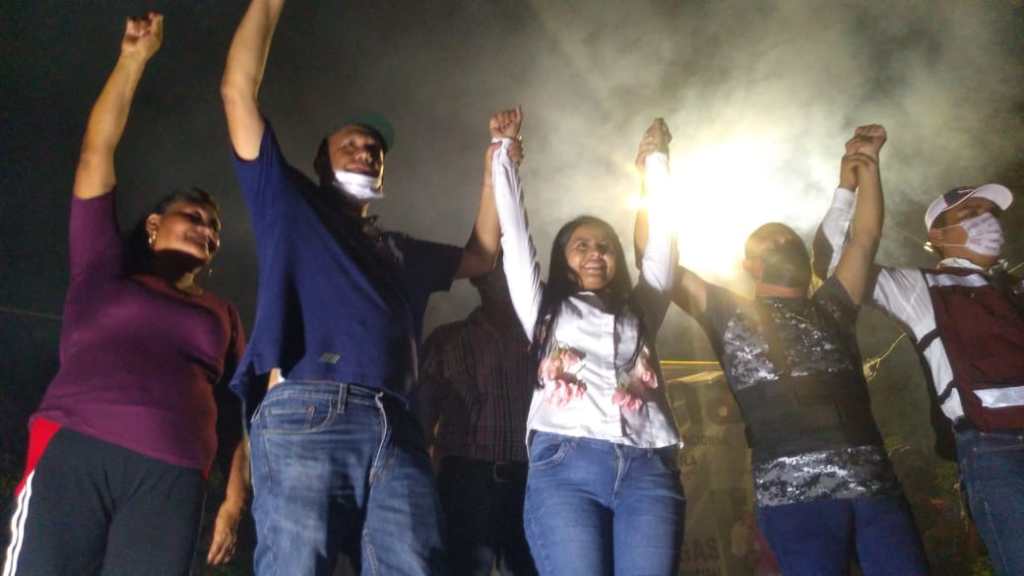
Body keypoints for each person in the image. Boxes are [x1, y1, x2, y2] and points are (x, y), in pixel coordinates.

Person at [220, 1, 502, 574]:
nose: (366, 151)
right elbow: (237, 92)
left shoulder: (400, 250)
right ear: (320, 161)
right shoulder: (292, 204)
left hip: (396, 423)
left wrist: (495, 167)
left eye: (375, 149)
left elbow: (482, 256)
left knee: (413, 565)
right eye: (350, 144)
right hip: (309, 407)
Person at [3, 13, 248, 575]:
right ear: (154, 225)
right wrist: (132, 60)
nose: (208, 230)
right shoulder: (103, 267)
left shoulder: (221, 314)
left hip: (173, 473)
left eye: (215, 229)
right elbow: (96, 152)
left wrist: (234, 500)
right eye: (194, 216)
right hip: (77, 448)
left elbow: (248, 411)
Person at [661, 125, 929, 574]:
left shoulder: (833, 305)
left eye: (790, 240)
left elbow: (864, 238)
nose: (784, 243)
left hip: (875, 489)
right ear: (750, 265)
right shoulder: (726, 313)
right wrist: (654, 173)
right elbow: (658, 262)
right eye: (770, 241)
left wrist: (867, 167)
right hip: (795, 500)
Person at [492, 113, 685, 575]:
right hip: (567, 468)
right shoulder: (544, 309)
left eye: (605, 246)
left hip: (647, 466)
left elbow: (664, 242)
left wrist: (656, 164)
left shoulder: (641, 309)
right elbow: (514, 238)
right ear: (563, 259)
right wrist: (504, 157)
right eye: (581, 246)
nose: (596, 252)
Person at [816, 168, 1023, 574]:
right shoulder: (919, 288)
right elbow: (835, 262)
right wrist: (848, 187)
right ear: (938, 236)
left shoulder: (1014, 289)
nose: (987, 221)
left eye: (990, 212)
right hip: (996, 451)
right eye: (971, 213)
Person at [415, 262, 538, 576]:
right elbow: (422, 419)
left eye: (512, 268)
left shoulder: (543, 340)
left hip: (532, 479)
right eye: (498, 270)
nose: (506, 278)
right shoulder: (446, 340)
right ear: (477, 280)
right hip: (465, 479)